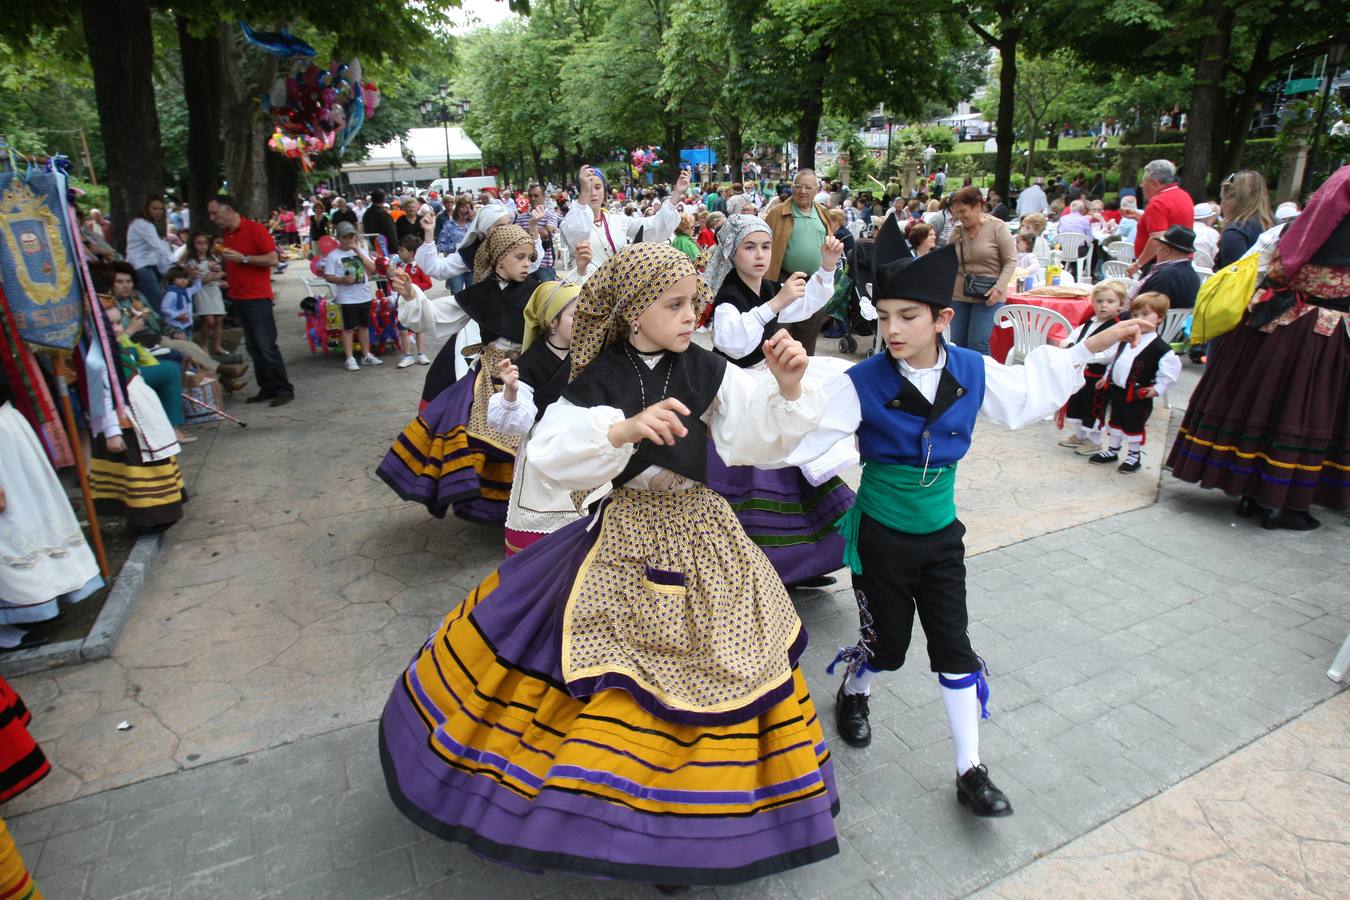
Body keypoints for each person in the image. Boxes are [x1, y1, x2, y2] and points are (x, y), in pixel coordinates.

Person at [378, 242, 841, 889]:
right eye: (674, 305)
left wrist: (788, 389)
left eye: (692, 303)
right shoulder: (599, 379)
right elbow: (549, 454)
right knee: (627, 677)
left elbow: (752, 433)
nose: (690, 315)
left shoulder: (704, 368)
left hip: (706, 534)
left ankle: (699, 822)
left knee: (727, 662)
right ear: (630, 312)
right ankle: (638, 823)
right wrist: (620, 433)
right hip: (626, 537)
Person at [788, 242, 1151, 818]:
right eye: (884, 317)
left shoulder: (971, 368)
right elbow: (800, 438)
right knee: (889, 650)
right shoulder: (861, 381)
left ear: (942, 318)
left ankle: (969, 770)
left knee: (954, 649)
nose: (893, 329)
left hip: (941, 538)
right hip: (880, 537)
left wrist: (1089, 347)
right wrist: (778, 403)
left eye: (908, 316)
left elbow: (1027, 392)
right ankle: (855, 689)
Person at [1168, 165, 1349, 531]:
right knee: (1302, 411)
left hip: (1274, 322)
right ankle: (1284, 503)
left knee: (1269, 405)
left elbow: (1279, 263)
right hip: (1318, 330)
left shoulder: (1309, 214)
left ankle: (1256, 494)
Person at [704, 215, 854, 585]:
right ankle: (762, 573)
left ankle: (805, 563)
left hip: (772, 386)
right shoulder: (728, 297)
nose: (759, 255)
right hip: (742, 396)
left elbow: (805, 304)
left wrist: (827, 266)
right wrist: (774, 304)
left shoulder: (768, 288)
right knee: (761, 484)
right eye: (749, 247)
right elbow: (731, 341)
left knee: (801, 462)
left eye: (766, 247)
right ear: (731, 252)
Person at [378, 226, 542, 523]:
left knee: (533, 434)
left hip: (531, 369)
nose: (527, 263)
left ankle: (531, 507)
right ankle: (500, 507)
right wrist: (411, 295)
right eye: (520, 257)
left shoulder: (538, 289)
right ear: (499, 259)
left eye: (529, 257)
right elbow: (434, 315)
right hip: (491, 371)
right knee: (484, 432)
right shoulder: (479, 295)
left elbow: (566, 311)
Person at [0, 370, 103, 650]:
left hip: (7, 426)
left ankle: (34, 602)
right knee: (10, 525)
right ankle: (7, 622)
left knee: (28, 513)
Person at [485, 280, 581, 556]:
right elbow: (517, 420)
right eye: (575, 315)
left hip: (583, 448)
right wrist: (512, 393)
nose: (584, 320)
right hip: (544, 454)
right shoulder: (529, 363)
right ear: (552, 321)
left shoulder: (589, 356)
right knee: (542, 531)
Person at [208, 194, 294, 407]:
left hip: (257, 298)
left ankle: (283, 389)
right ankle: (266, 387)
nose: (212, 218)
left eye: (214, 212)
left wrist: (244, 259)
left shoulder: (255, 230)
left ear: (228, 210)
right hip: (238, 297)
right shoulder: (227, 235)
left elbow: (272, 259)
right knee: (254, 348)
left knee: (266, 346)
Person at [1089, 291, 1180, 473]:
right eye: (1135, 315)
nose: (1139, 319)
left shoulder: (1161, 348)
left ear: (1159, 318)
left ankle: (1134, 456)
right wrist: (1106, 377)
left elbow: (1170, 373)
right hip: (1118, 391)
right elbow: (1117, 361)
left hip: (1137, 395)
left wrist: (1157, 389)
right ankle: (1113, 450)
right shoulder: (1127, 339)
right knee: (1115, 421)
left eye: (1145, 315)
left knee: (1133, 425)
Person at [766, 169, 834, 353]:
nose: (802, 191)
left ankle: (803, 372)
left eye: (808, 187)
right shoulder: (778, 212)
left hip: (814, 281)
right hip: (784, 279)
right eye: (798, 186)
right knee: (779, 331)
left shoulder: (822, 213)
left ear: (816, 190)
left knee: (809, 332)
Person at [1056, 280, 1126, 452]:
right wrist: (1068, 343)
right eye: (1099, 301)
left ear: (1120, 305)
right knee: (1077, 404)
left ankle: (1094, 441)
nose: (1103, 306)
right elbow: (1076, 335)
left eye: (1110, 302)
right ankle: (1080, 435)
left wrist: (1088, 357)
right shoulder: (1090, 322)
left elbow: (1110, 353)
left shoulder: (1116, 327)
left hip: (1097, 375)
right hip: (1080, 372)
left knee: (1093, 408)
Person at [946, 186, 1017, 355]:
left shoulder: (997, 228)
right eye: (956, 212)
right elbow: (947, 262)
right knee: (957, 345)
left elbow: (1010, 260)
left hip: (989, 294)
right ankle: (959, 380)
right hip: (959, 294)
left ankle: (983, 380)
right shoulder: (957, 232)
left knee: (978, 344)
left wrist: (999, 288)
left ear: (978, 205)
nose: (960, 217)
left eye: (963, 211)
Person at [323, 222, 382, 371]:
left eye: (351, 236)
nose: (349, 240)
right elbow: (328, 276)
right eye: (345, 237)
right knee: (348, 328)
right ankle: (349, 358)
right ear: (339, 238)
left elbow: (373, 268)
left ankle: (366, 354)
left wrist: (358, 251)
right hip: (347, 297)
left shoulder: (361, 251)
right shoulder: (333, 256)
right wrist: (342, 280)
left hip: (364, 294)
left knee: (364, 326)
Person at [1126, 160, 1194, 275]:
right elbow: (1171, 223)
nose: (1142, 185)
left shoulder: (1158, 202)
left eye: (1144, 181)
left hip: (1159, 264)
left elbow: (1157, 238)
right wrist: (1141, 218)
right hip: (1180, 260)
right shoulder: (1184, 195)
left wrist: (1138, 264)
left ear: (1155, 183)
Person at [180, 233, 229, 360]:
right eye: (199, 243)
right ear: (193, 245)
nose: (202, 246)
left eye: (205, 243)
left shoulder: (212, 258)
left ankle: (216, 346)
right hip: (201, 291)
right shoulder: (191, 262)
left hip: (214, 289)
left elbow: (222, 271)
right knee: (208, 320)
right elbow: (190, 280)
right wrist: (204, 279)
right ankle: (204, 345)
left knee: (218, 319)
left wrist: (219, 276)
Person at [125, 195, 176, 313]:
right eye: (154, 208)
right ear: (146, 208)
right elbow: (158, 246)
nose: (158, 212)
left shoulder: (144, 223)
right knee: (158, 302)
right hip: (141, 266)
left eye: (161, 209)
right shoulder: (143, 224)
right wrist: (174, 261)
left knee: (144, 302)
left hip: (143, 266)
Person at [1216, 170, 1274, 269]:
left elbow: (1233, 280)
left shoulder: (1235, 232)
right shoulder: (1279, 225)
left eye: (1222, 199)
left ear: (1231, 199)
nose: (1221, 205)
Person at [1133, 225, 1201, 309]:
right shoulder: (1192, 274)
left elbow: (1144, 309)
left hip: (1147, 319)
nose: (1156, 251)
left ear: (1166, 250)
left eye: (1158, 247)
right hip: (1176, 321)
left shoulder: (1165, 276)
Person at [394, 234, 432, 368]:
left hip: (417, 304)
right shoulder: (398, 266)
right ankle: (407, 355)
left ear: (410, 252)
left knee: (419, 329)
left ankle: (421, 353)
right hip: (402, 303)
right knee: (403, 330)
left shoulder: (420, 266)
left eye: (401, 250)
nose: (399, 252)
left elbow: (428, 283)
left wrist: (413, 288)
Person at [517, 184, 559, 280]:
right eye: (530, 196)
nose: (533, 198)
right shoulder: (521, 217)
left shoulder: (550, 215)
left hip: (545, 264)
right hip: (526, 264)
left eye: (536, 195)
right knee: (528, 294)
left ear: (544, 197)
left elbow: (546, 232)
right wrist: (536, 229)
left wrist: (526, 230)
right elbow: (515, 235)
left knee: (547, 293)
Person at [159, 265, 195, 340]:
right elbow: (164, 308)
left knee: (189, 343)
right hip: (175, 324)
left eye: (185, 278)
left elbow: (197, 286)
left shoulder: (187, 291)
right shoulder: (171, 293)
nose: (183, 280)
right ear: (172, 280)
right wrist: (177, 315)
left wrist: (196, 277)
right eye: (179, 278)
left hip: (188, 323)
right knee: (180, 344)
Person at [361, 189, 399, 256]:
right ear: (384, 199)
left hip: (371, 248)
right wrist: (395, 251)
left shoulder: (366, 214)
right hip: (385, 249)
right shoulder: (384, 214)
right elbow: (391, 233)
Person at [1191, 203, 1221, 270]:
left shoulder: (1185, 230)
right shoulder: (1212, 233)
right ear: (1208, 219)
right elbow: (1217, 256)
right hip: (1207, 273)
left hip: (1186, 271)